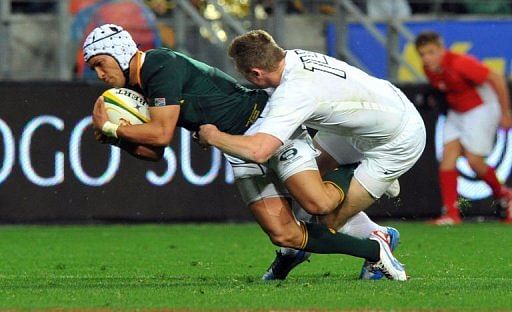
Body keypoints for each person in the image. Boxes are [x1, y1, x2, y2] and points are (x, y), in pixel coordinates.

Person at [84, 24, 407, 280]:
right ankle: (375, 250)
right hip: (235, 146)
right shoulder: (141, 86)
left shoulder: (158, 64)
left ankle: (360, 171)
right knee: (284, 234)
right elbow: (155, 152)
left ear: (120, 51)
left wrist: (112, 128)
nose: (99, 74)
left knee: (316, 203)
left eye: (100, 63)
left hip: (266, 127)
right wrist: (116, 140)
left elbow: (161, 132)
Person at [197, 30, 426, 276]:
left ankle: (379, 235)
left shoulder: (294, 92)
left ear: (255, 73)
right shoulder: (292, 59)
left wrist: (213, 136)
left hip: (397, 139)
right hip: (367, 119)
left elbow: (259, 151)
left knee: (326, 220)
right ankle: (296, 249)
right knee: (305, 188)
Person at [415, 31, 512, 225]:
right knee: (448, 158)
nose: (427, 58)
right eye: (423, 54)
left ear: (442, 49)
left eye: (431, 52)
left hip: (481, 108)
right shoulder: (429, 69)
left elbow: (496, 78)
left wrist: (505, 112)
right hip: (457, 112)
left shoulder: (459, 62)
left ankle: (505, 195)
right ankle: (451, 214)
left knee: (475, 162)